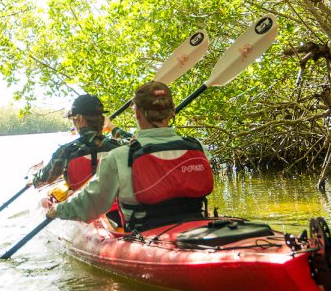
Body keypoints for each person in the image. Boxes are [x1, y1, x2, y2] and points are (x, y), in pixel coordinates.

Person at [44, 81, 213, 231]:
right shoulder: (198, 147)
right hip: (198, 225)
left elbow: (92, 203)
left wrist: (57, 210)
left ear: (137, 113)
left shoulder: (120, 156)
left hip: (145, 233)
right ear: (171, 112)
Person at [31, 94, 124, 190]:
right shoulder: (120, 147)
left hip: (82, 204)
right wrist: (112, 127)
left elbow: (41, 180)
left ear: (79, 119)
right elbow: (133, 140)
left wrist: (32, 177)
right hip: (112, 203)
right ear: (102, 119)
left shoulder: (65, 152)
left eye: (72, 119)